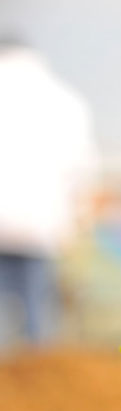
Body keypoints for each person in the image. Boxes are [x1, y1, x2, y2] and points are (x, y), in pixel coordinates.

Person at [0, 37, 96, 349]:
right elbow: (82, 169)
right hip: (41, 222)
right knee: (37, 311)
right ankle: (37, 380)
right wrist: (80, 216)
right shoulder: (65, 99)